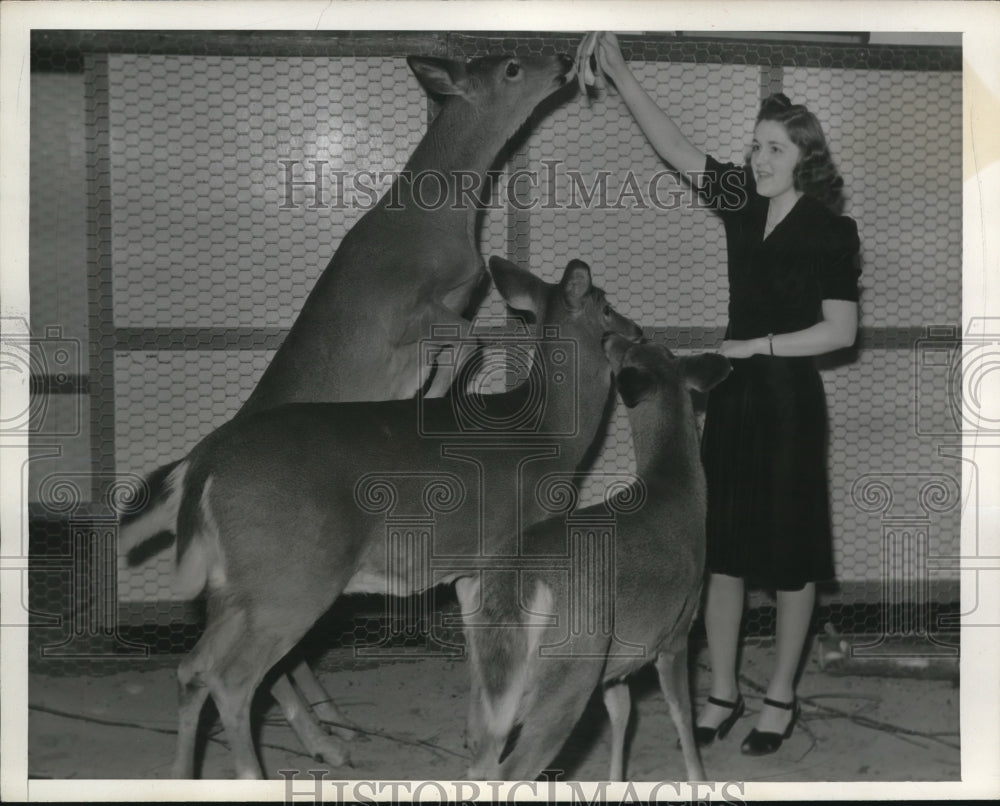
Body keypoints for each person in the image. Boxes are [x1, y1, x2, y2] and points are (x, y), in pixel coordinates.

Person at [592, 32, 861, 756]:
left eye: (773, 147)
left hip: (789, 404)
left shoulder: (832, 231)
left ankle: (780, 696)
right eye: (753, 147)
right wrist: (620, 74)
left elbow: (841, 330)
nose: (757, 158)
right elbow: (675, 149)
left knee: (791, 560)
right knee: (725, 555)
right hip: (735, 400)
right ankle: (722, 695)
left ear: (804, 155)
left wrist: (760, 346)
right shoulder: (742, 204)